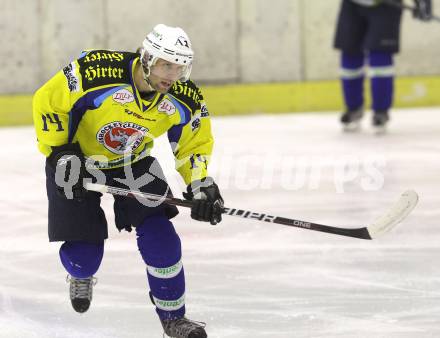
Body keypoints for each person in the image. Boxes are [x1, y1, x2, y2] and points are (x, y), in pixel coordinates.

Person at [32, 24, 224, 338]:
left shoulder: (184, 97)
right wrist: (61, 151)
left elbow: (193, 142)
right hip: (77, 161)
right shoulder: (95, 71)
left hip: (133, 163)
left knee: (162, 238)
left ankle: (174, 318)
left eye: (179, 67)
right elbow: (48, 101)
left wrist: (201, 183)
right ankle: (80, 275)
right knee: (83, 257)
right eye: (165, 64)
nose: (172, 75)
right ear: (147, 58)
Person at [334, 0, 432, 133]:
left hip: (386, 7)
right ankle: (353, 108)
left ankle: (380, 111)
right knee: (350, 57)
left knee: (380, 58)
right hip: (353, 5)